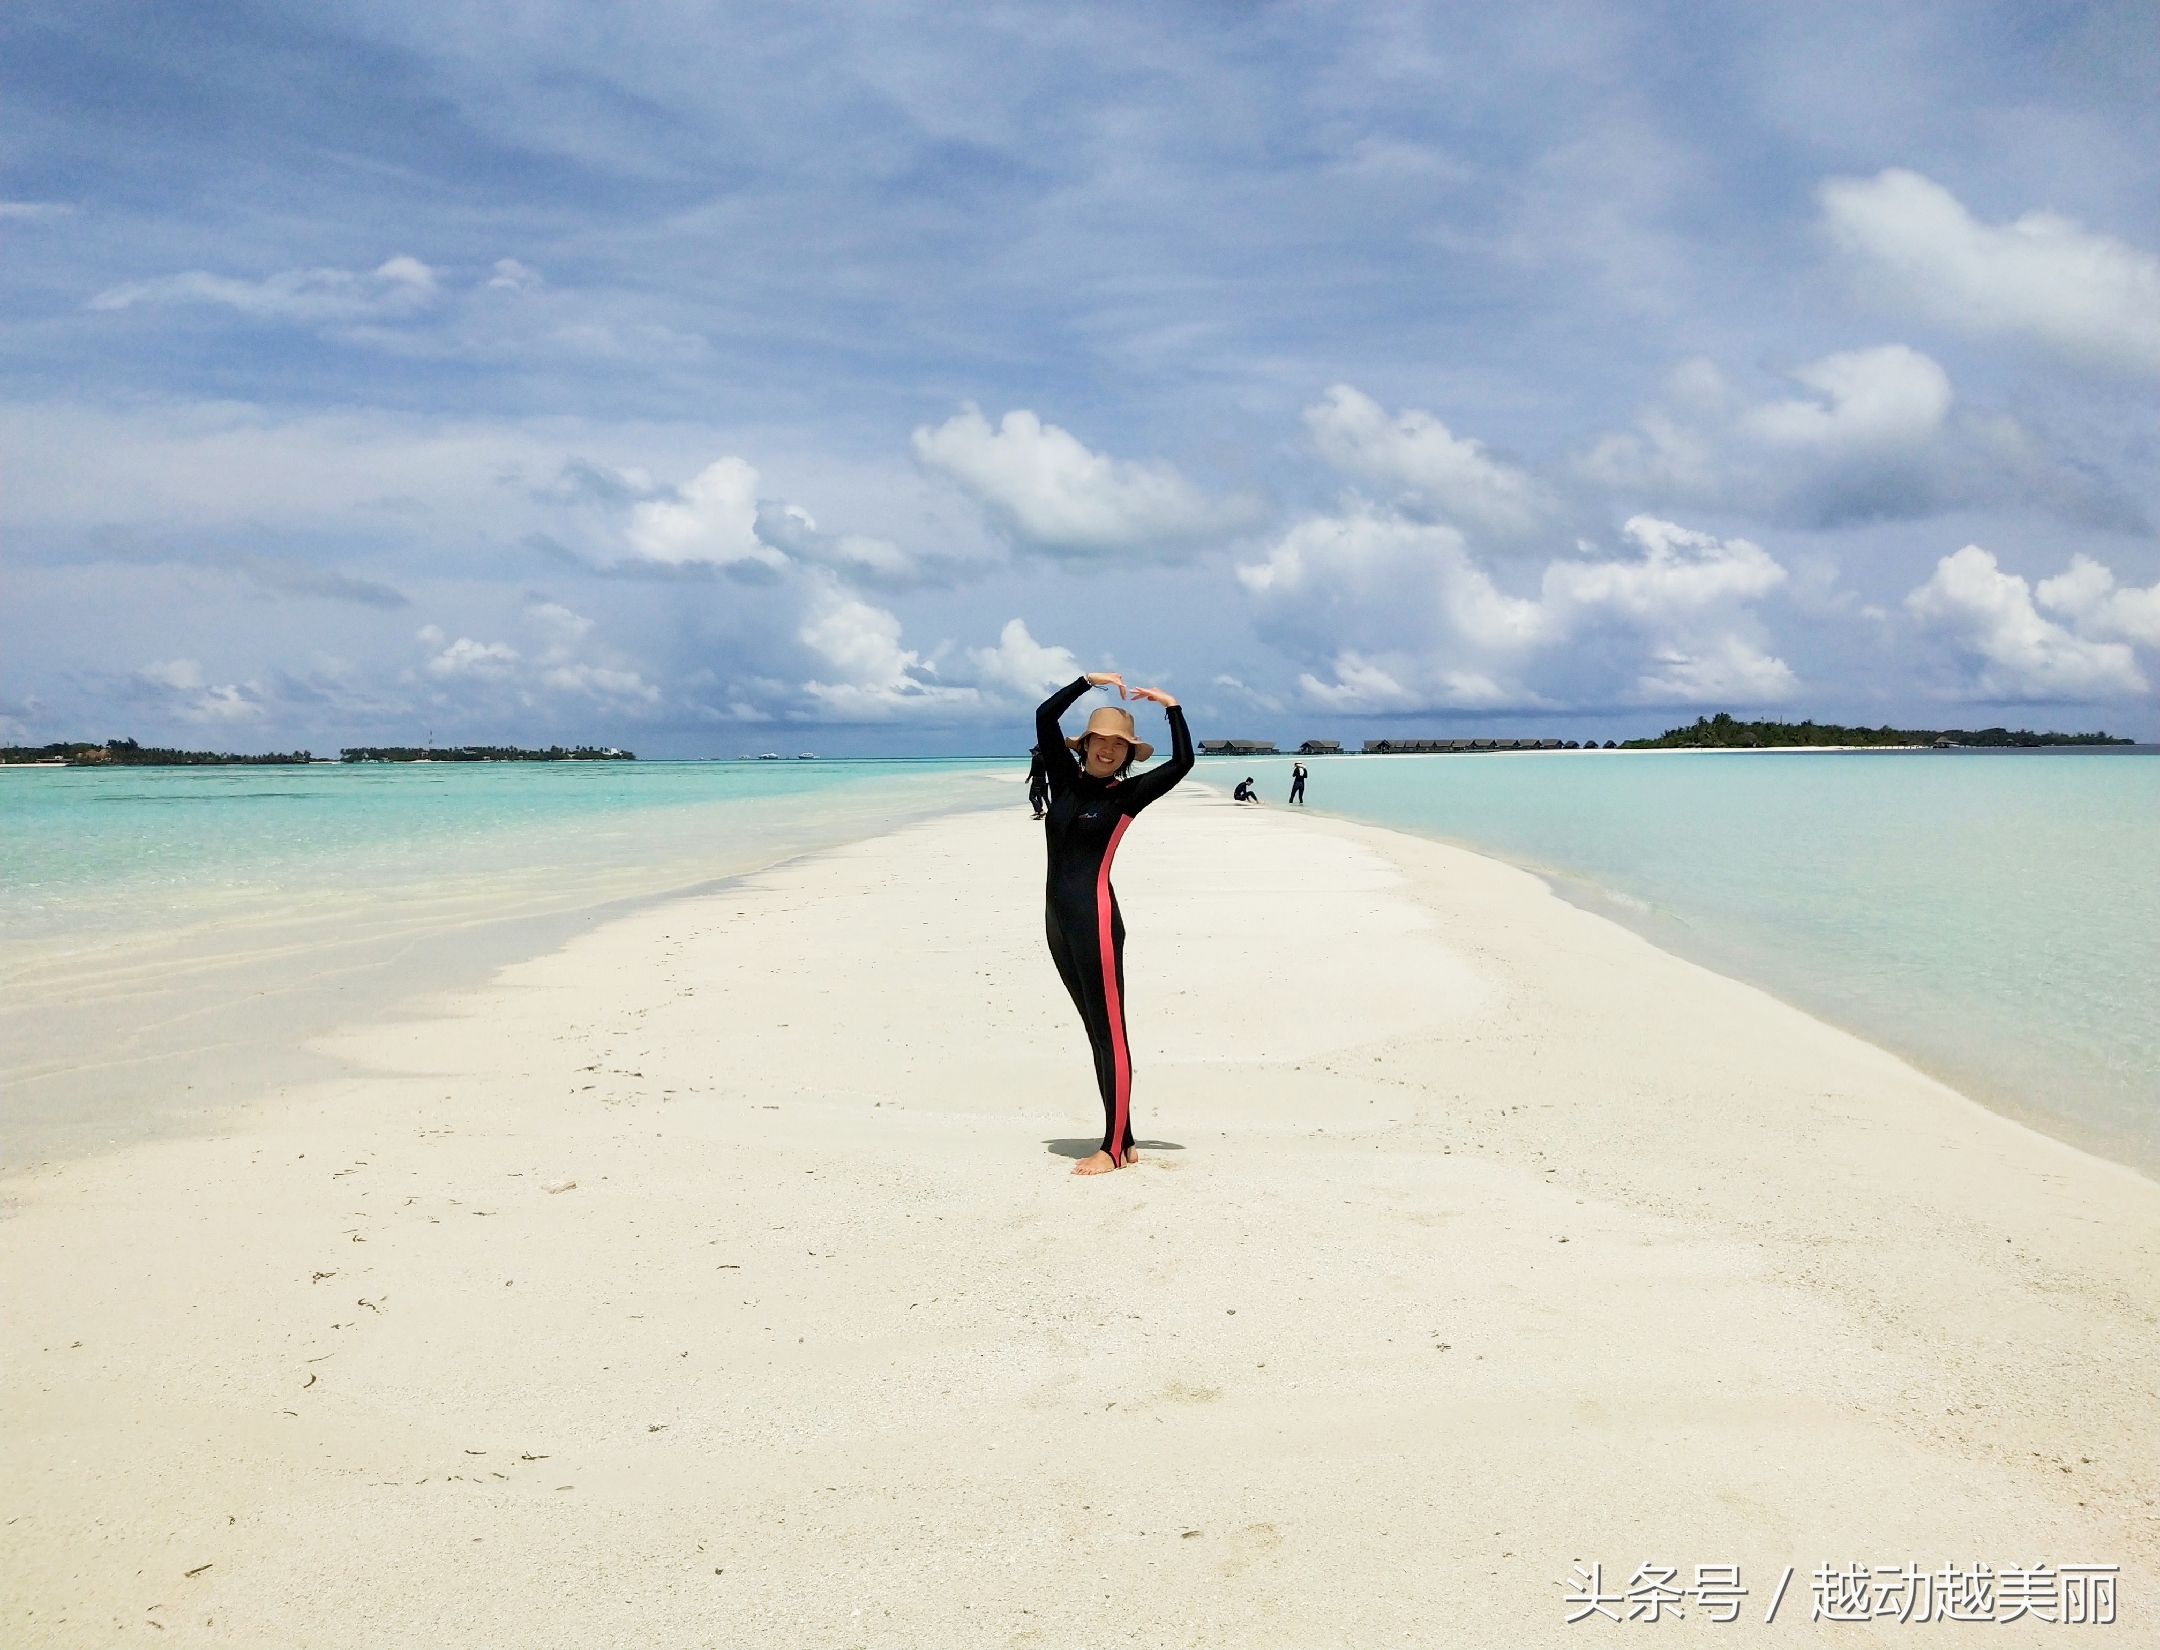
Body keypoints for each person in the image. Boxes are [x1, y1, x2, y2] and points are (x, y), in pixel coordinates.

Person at [1035, 671, 1194, 1175]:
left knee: (1110, 1032)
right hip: (1057, 921)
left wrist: (1172, 707)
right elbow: (1044, 716)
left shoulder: (1126, 796)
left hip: (1096, 920)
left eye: (1118, 744)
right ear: (1085, 745)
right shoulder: (1063, 779)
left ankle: (1111, 1148)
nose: (1107, 750)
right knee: (1093, 1030)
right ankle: (1122, 1138)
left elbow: (1184, 761)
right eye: (1099, 740)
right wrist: (1085, 682)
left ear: (1129, 754)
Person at [1025, 745, 1050, 819]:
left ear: (1036, 751)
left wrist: (1028, 778)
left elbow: (1033, 770)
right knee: (1044, 796)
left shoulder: (1035, 758)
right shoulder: (1045, 759)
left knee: (1031, 797)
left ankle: (1040, 811)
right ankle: (1051, 811)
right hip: (1044, 779)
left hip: (1036, 779)